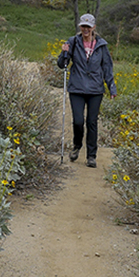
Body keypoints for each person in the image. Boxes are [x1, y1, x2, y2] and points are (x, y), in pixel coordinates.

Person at [57, 13, 117, 168]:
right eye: (83, 26)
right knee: (78, 121)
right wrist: (63, 53)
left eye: (88, 27)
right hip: (77, 88)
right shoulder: (73, 42)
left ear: (93, 27)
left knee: (92, 122)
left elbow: (107, 68)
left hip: (96, 89)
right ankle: (77, 146)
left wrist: (111, 86)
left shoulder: (101, 45)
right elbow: (62, 64)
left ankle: (91, 156)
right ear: (80, 27)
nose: (85, 29)